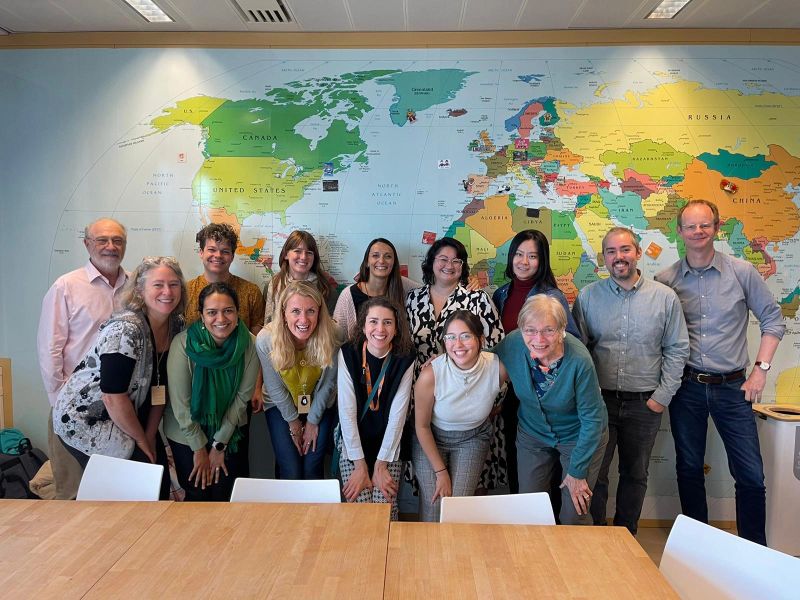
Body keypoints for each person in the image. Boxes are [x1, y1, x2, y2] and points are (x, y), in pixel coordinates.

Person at [655, 199, 785, 545]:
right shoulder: (665, 280)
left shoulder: (742, 272)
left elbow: (773, 320)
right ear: (680, 232)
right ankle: (700, 548)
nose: (698, 232)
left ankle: (754, 550)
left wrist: (760, 371)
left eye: (705, 225)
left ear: (716, 227)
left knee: (750, 475)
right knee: (689, 468)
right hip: (687, 388)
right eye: (690, 226)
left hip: (734, 388)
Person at [573, 227, 689, 535]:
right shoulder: (587, 297)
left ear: (637, 253)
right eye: (611, 251)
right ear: (604, 258)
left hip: (645, 403)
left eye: (625, 250)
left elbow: (677, 349)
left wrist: (661, 396)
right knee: (594, 473)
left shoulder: (664, 298)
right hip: (598, 403)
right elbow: (577, 350)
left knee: (635, 473)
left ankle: (626, 536)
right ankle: (594, 537)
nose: (618, 257)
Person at [52, 256, 187, 499]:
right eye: (158, 285)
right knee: (133, 483)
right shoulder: (126, 329)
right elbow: (113, 396)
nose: (167, 292)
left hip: (129, 413)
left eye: (174, 284)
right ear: (139, 289)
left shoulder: (176, 326)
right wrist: (141, 442)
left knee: (159, 476)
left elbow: (161, 387)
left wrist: (149, 436)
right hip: (87, 418)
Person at [491, 294, 608, 525]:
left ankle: (575, 560)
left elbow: (592, 421)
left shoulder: (579, 361)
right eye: (530, 330)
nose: (538, 339)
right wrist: (438, 366)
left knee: (574, 512)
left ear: (563, 329)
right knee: (529, 509)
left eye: (548, 330)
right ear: (521, 329)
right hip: (533, 434)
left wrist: (577, 471)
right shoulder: (513, 343)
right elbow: (480, 362)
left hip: (579, 437)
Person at [37, 218, 128, 499]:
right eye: (102, 240)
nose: (110, 247)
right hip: (73, 410)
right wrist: (62, 403)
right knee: (73, 494)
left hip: (121, 410)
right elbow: (49, 349)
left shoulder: (136, 285)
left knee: (118, 493)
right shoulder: (66, 287)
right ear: (87, 243)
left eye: (117, 241)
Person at [405, 237, 505, 490]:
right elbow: (403, 347)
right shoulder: (413, 299)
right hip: (424, 395)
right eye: (443, 259)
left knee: (462, 490)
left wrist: (494, 399)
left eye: (456, 260)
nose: (449, 265)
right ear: (431, 263)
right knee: (432, 489)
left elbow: (496, 347)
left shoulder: (477, 299)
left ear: (463, 266)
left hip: (469, 397)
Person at [491, 228, 579, 494]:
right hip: (511, 391)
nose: (524, 261)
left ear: (542, 261)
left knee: (545, 467)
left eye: (532, 256)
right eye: (519, 254)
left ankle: (546, 526)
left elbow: (571, 342)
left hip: (543, 393)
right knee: (516, 458)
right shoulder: (501, 294)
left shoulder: (552, 297)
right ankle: (523, 522)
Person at [165, 282, 260, 501]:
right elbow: (181, 405)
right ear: (201, 315)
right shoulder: (183, 344)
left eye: (228, 311)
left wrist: (218, 445)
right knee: (197, 495)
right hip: (186, 434)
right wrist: (199, 449)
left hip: (230, 431)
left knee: (226, 495)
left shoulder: (250, 345)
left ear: (237, 313)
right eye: (212, 312)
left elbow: (241, 398)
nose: (221, 319)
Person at [184, 223, 264, 478]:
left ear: (233, 254)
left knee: (235, 465)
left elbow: (258, 344)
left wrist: (257, 386)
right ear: (200, 252)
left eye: (225, 250)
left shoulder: (250, 292)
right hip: (195, 389)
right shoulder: (185, 292)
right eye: (211, 249)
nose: (217, 255)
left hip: (239, 389)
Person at [413, 310, 508, 522]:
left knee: (457, 508)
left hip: (472, 439)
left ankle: (453, 553)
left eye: (465, 336)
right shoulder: (431, 375)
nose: (458, 344)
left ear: (480, 339)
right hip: (432, 438)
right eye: (451, 337)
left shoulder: (497, 367)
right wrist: (441, 472)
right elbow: (421, 427)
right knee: (434, 505)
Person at [337, 297, 415, 520]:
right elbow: (347, 412)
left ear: (397, 327)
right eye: (373, 322)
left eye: (388, 322)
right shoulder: (348, 353)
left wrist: (381, 465)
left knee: (385, 513)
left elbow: (398, 416)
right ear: (363, 325)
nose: (380, 329)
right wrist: (360, 466)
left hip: (389, 447)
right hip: (353, 446)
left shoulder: (405, 358)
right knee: (359, 514)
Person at [256, 281, 340, 479]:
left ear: (319, 312)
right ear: (284, 313)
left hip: (319, 402)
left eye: (310, 311)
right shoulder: (266, 339)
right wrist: (294, 423)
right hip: (280, 404)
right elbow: (274, 388)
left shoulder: (334, 334)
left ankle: (313, 511)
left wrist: (312, 422)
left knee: (312, 464)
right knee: (290, 466)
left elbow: (328, 383)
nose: (303, 319)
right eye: (295, 311)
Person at [333, 238, 418, 338]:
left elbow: (429, 291)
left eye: (388, 256)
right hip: (359, 353)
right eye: (375, 255)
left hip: (396, 352)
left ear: (394, 263)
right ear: (367, 262)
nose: (381, 261)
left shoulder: (402, 285)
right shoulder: (348, 295)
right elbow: (336, 337)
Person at [263, 230, 334, 323]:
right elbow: (268, 322)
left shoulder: (325, 287)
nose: (304, 257)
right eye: (298, 251)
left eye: (309, 252)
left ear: (314, 257)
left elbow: (329, 325)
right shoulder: (273, 285)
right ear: (285, 255)